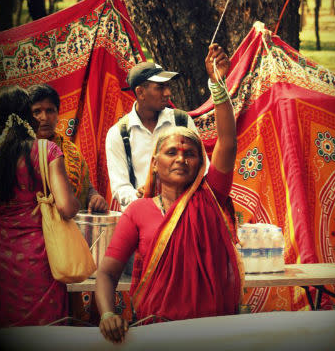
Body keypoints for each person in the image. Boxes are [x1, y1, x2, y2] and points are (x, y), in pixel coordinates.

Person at [96, 44, 244, 344]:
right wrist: (108, 314)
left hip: (214, 335)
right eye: (171, 152)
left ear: (200, 161)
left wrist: (217, 84)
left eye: (190, 153)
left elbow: (227, 141)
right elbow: (107, 273)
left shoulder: (210, 198)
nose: (181, 159)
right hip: (154, 336)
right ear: (155, 162)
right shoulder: (138, 211)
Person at [0, 85, 80, 327]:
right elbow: (66, 207)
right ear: (29, 115)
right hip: (37, 261)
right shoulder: (46, 150)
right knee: (45, 334)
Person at [105, 60, 197, 210]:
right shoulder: (118, 134)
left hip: (183, 211)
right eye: (160, 87)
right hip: (141, 217)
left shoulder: (182, 121)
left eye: (168, 86)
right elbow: (120, 187)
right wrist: (139, 197)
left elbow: (202, 168)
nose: (168, 93)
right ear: (140, 92)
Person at [28, 84, 108, 213]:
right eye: (37, 111)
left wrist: (94, 197)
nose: (44, 117)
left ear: (58, 114)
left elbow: (86, 187)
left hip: (68, 226)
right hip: (30, 225)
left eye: (50, 110)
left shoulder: (71, 151)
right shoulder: (19, 151)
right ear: (27, 116)